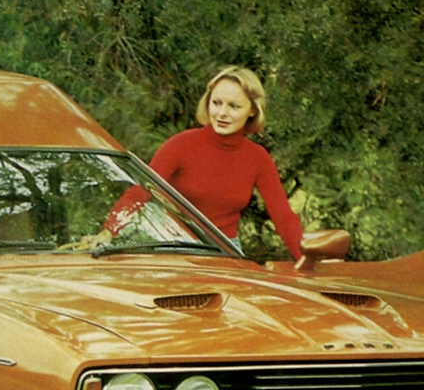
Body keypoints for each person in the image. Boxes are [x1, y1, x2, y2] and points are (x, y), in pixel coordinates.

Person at [103, 65, 304, 258]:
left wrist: (308, 258)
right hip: (176, 247)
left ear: (252, 110)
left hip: (226, 251)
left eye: (234, 106)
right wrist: (108, 232)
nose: (222, 113)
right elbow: (141, 191)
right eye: (216, 103)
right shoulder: (181, 144)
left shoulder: (258, 157)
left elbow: (283, 217)